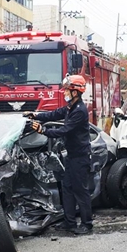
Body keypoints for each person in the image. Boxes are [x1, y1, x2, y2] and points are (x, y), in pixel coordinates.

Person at [28, 75, 93, 235]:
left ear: (75, 92)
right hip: (71, 156)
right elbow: (54, 114)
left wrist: (43, 130)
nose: (64, 92)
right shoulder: (70, 107)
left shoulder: (80, 111)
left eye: (66, 90)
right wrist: (36, 114)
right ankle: (69, 223)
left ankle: (87, 224)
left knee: (80, 191)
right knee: (67, 188)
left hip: (80, 157)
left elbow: (64, 130)